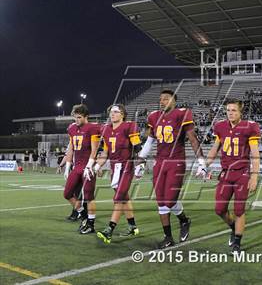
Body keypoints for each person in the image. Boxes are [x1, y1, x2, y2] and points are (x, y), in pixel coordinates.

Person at [138, 90, 205, 249]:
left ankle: (184, 220)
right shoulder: (154, 116)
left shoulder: (182, 114)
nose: (162, 101)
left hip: (176, 161)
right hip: (159, 162)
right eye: (160, 99)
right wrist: (140, 161)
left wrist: (202, 161)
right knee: (161, 202)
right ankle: (168, 237)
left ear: (174, 100)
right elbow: (149, 142)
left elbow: (192, 139)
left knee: (169, 200)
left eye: (166, 99)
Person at [205, 98, 260, 254]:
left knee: (239, 210)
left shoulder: (250, 127)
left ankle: (237, 243)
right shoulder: (220, 126)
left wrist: (254, 176)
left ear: (240, 111)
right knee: (219, 209)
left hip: (242, 173)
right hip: (226, 173)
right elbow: (215, 148)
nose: (230, 113)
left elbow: (255, 154)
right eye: (228, 110)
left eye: (234, 110)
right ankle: (232, 227)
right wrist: (204, 165)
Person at [95, 104, 142, 244]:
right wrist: (97, 165)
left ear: (123, 114)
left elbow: (137, 147)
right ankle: (133, 226)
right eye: (111, 112)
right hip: (114, 168)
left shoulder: (129, 126)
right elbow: (105, 152)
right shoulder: (106, 129)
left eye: (116, 112)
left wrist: (140, 164)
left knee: (118, 198)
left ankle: (109, 230)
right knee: (124, 198)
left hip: (127, 166)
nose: (113, 114)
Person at [62, 104, 101, 234]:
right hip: (76, 166)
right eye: (75, 117)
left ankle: (91, 224)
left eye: (79, 117)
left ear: (86, 117)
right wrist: (67, 167)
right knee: (67, 193)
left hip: (87, 166)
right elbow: (71, 149)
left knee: (89, 196)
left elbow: (94, 150)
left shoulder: (92, 127)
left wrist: (90, 166)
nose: (76, 120)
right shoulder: (72, 128)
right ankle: (83, 216)